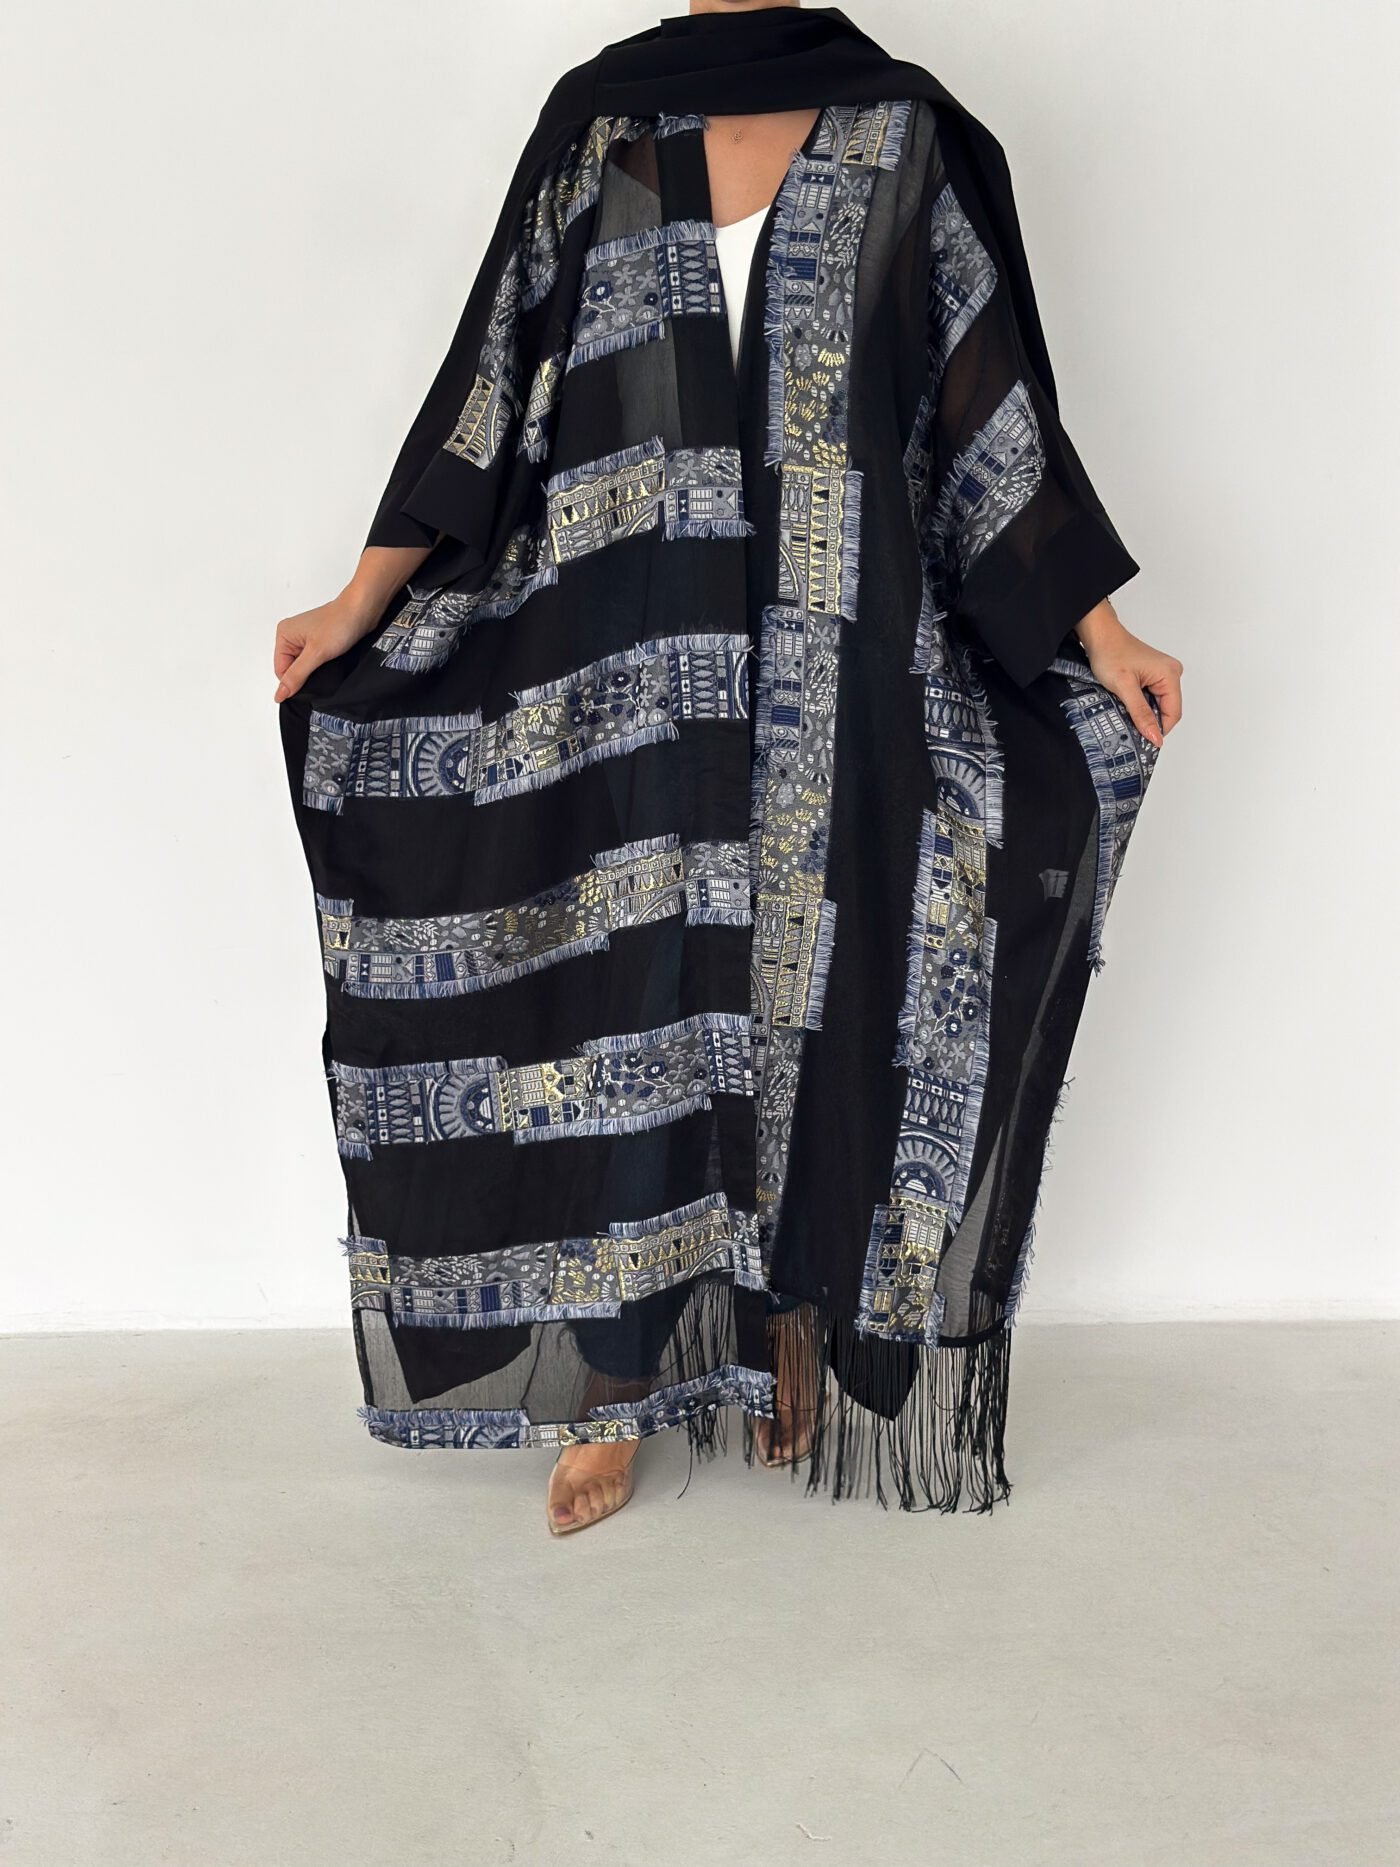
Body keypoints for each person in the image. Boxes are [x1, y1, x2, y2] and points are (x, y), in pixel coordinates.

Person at [273, 0, 1183, 1535]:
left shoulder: (898, 132)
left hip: (844, 661)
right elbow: (490, 389)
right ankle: (619, 1375)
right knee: (633, 1001)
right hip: (629, 661)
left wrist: (1101, 629)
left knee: (821, 994)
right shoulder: (602, 131)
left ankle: (785, 1338)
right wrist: (361, 602)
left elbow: (992, 413)